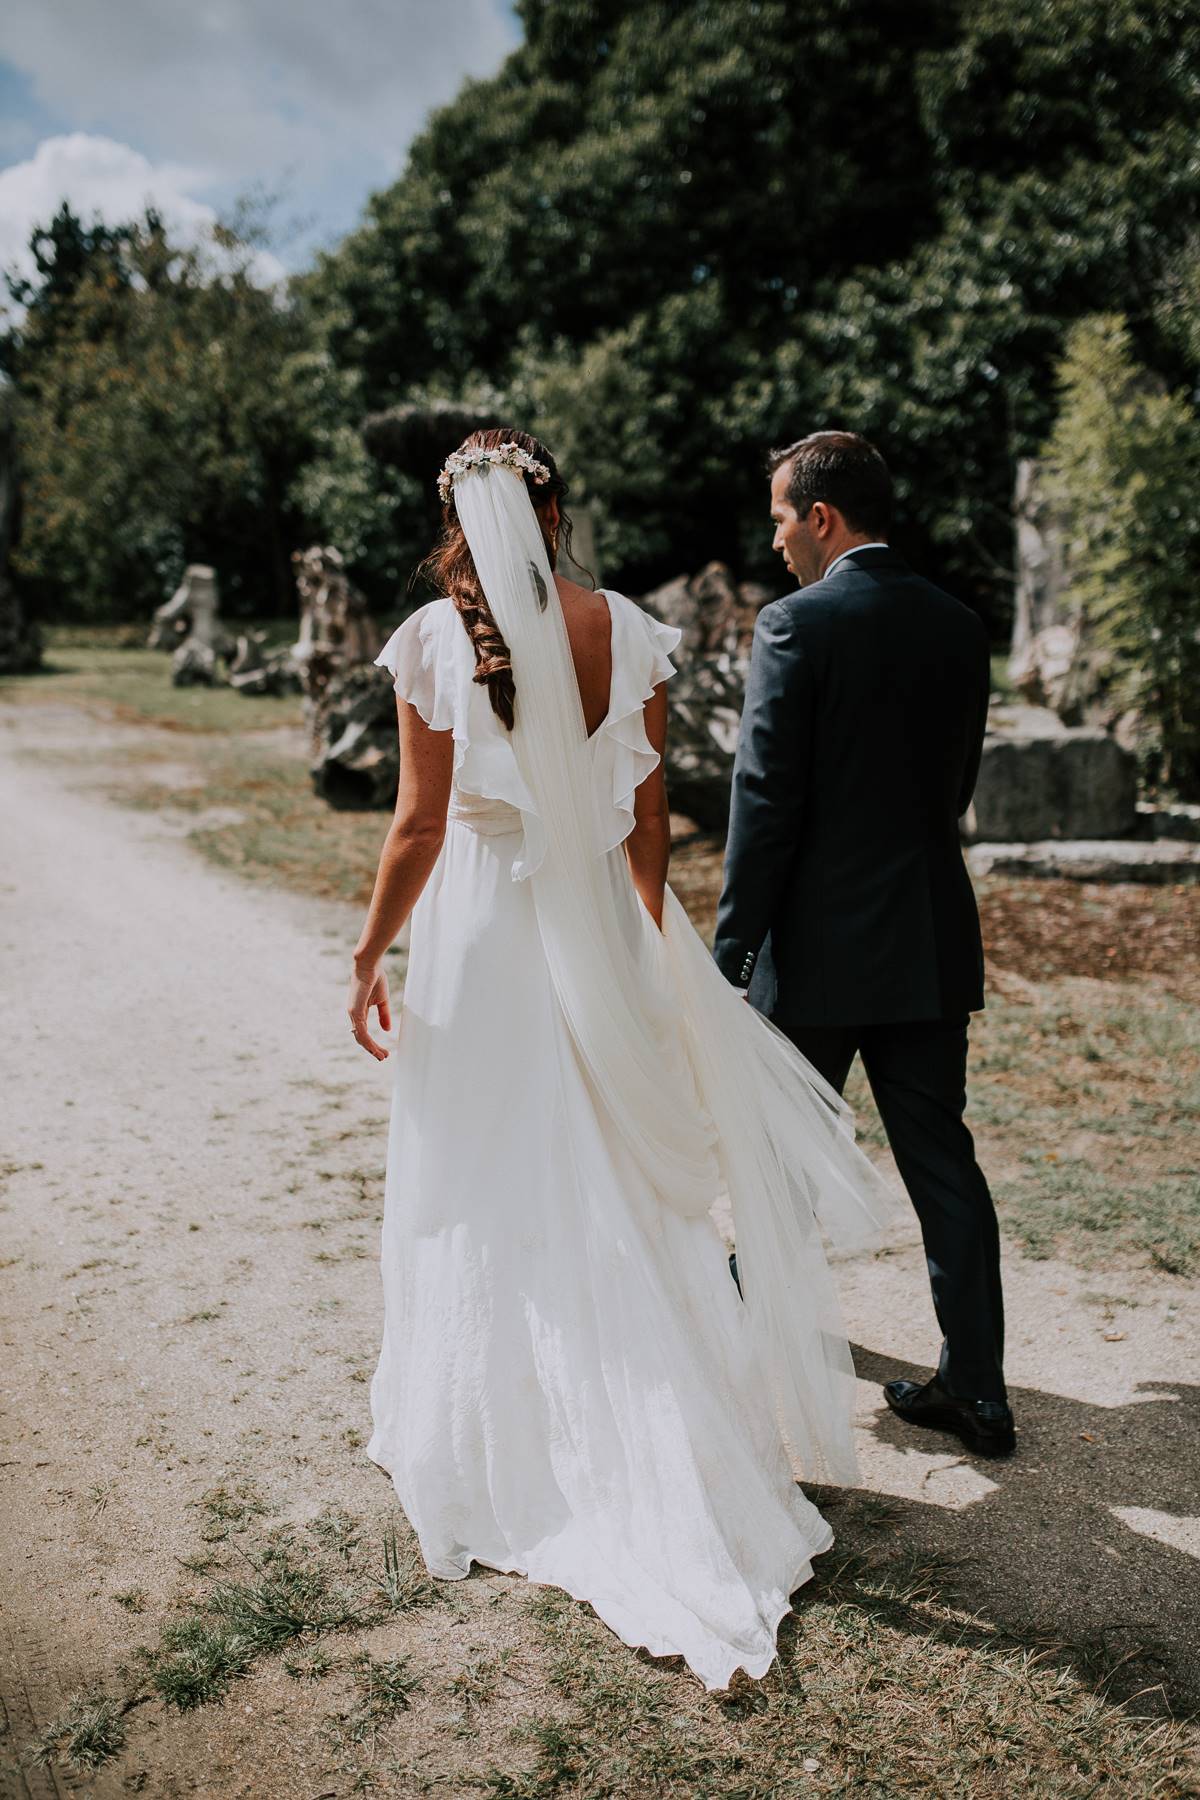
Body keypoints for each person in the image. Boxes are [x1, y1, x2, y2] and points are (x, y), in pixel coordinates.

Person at [347, 428, 903, 1692]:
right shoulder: (632, 632)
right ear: (556, 510)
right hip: (595, 918)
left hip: (482, 934)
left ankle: (506, 1433)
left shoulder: (435, 641)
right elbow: (649, 825)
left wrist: (369, 951)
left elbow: (422, 824)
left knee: (477, 1172)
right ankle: (663, 1431)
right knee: (608, 1167)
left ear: (458, 522)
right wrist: (641, 945)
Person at [713, 431, 1014, 1458]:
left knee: (779, 1158)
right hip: (928, 934)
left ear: (824, 518)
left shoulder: (796, 625)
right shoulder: (959, 626)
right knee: (943, 1162)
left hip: (819, 951)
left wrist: (734, 944)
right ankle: (978, 1390)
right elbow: (952, 788)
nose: (781, 545)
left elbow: (765, 798)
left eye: (784, 522)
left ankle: (739, 1364)